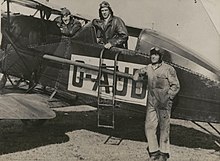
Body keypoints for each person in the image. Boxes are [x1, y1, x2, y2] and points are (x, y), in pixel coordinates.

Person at [133, 47, 180, 161]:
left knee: (164, 127)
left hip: (164, 102)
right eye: (152, 55)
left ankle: (163, 154)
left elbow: (176, 85)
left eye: (156, 55)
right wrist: (137, 74)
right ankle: (154, 152)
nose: (153, 57)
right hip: (151, 102)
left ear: (160, 57)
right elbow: (140, 72)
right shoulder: (149, 67)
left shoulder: (168, 69)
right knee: (149, 126)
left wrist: (169, 97)